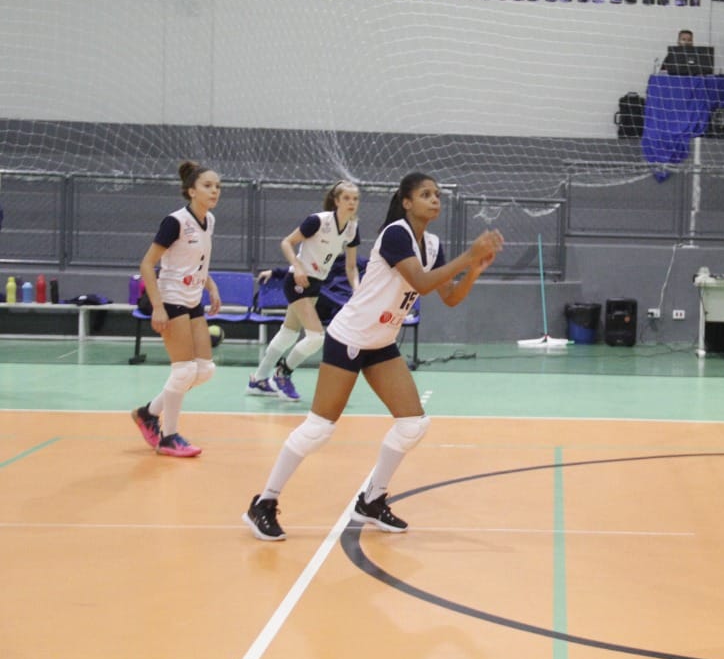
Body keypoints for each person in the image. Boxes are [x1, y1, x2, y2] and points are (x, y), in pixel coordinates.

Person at [243, 173, 504, 541]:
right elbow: (422, 283)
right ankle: (263, 503)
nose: (435, 200)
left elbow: (447, 296)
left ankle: (372, 499)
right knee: (319, 429)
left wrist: (473, 269)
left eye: (438, 195)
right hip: (349, 336)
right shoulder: (396, 234)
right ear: (406, 201)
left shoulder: (431, 244)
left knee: (413, 424)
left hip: (380, 342)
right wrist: (469, 254)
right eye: (426, 194)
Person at [128, 161, 223, 458]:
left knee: (204, 369)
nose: (214, 191)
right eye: (208, 186)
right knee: (183, 370)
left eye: (217, 186)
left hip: (193, 298)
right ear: (191, 190)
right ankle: (169, 437)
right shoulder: (175, 221)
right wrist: (158, 307)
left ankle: (148, 413)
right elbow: (147, 264)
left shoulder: (210, 220)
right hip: (170, 299)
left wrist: (211, 286)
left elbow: (194, 262)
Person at [247, 181, 362, 402]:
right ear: (336, 201)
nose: (351, 203)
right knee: (316, 337)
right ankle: (283, 373)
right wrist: (297, 267)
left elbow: (351, 266)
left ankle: (259, 379)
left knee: (288, 333)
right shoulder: (318, 221)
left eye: (355, 199)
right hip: (298, 280)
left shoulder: (352, 229)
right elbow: (287, 243)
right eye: (346, 198)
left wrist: (357, 289)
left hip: (316, 283)